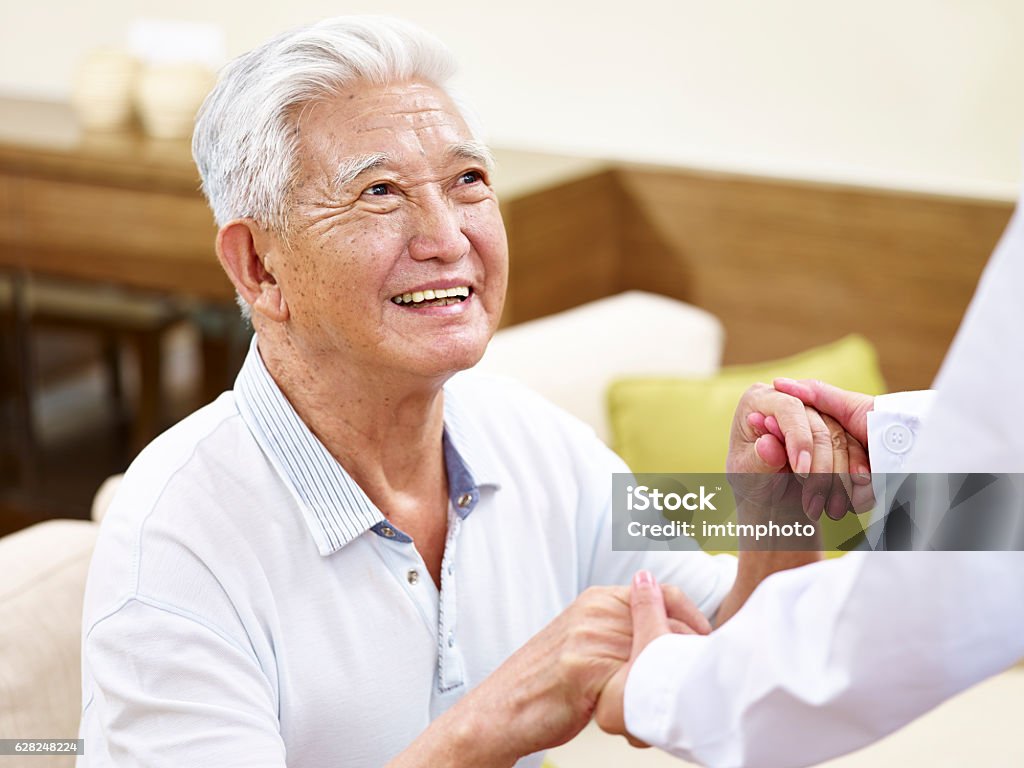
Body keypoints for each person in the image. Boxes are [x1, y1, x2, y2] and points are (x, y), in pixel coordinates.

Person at [77, 16, 902, 767]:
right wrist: (495, 720)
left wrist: (779, 515)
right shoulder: (173, 542)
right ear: (260, 267)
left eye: (467, 180)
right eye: (380, 192)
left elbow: (742, 684)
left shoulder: (540, 442)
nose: (447, 238)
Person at [594, 173, 1024, 766]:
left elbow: (937, 596)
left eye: (469, 179)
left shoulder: (552, 458)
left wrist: (658, 685)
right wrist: (903, 444)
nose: (446, 239)